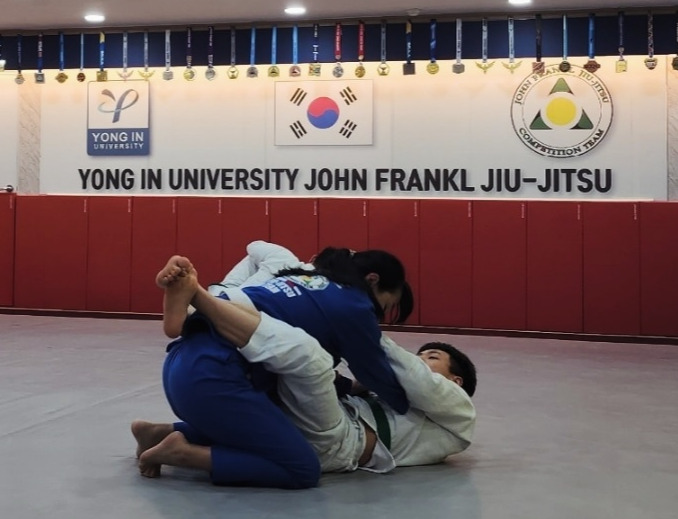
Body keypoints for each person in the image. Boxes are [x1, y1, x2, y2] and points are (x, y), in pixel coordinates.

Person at [133, 259, 476, 480]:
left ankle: (204, 301)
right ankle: (163, 432)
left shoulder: (460, 416)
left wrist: (365, 329)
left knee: (309, 357)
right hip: (326, 423)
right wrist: (355, 377)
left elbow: (419, 380)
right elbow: (387, 380)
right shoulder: (408, 396)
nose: (420, 360)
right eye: (422, 354)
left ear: (456, 380)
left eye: (432, 357)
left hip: (344, 442)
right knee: (295, 363)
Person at [161, 244, 413, 416]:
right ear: (372, 280)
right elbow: (373, 371)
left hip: (199, 340)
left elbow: (313, 367)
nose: (378, 316)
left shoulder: (317, 280)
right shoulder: (355, 306)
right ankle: (195, 296)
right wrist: (410, 407)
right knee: (299, 460)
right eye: (385, 306)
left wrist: (349, 387)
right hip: (222, 354)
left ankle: (194, 304)